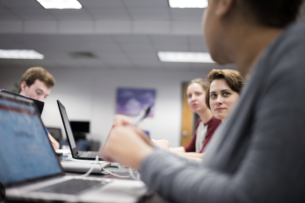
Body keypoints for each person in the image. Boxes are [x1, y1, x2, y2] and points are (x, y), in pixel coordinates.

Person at [101, 0, 305, 202]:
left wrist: (144, 159)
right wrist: (149, 152)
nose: (216, 101)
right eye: (213, 95)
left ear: (224, 3)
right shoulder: (274, 69)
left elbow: (248, 197)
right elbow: (217, 173)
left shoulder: (294, 63)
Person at [153, 78, 221, 160]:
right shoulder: (200, 122)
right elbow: (189, 149)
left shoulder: (216, 121)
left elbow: (204, 155)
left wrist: (165, 151)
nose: (193, 99)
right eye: (189, 96)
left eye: (198, 94)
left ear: (209, 96)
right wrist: (157, 148)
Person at [19, 67, 59, 150]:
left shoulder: (31, 116)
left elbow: (53, 143)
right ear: (24, 86)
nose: (41, 99)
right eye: (39, 92)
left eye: (45, 96)